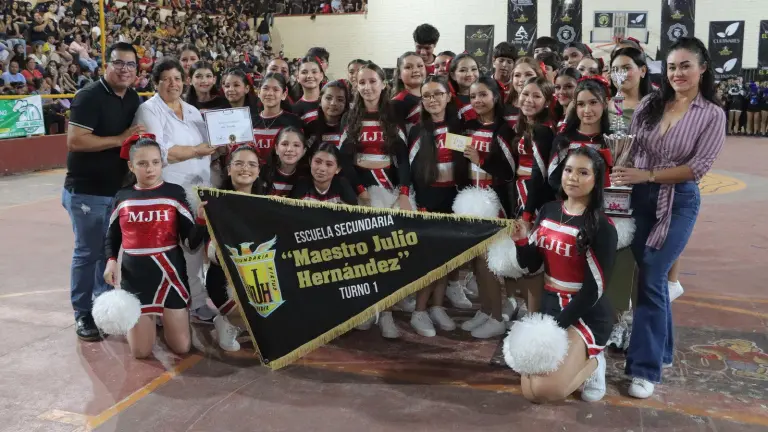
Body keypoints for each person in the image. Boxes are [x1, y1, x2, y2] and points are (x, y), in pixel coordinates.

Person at [611, 37, 725, 399]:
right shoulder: (650, 103)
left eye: (685, 66)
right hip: (639, 198)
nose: (678, 73)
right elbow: (631, 146)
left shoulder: (712, 115)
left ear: (702, 68)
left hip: (678, 201)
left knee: (653, 273)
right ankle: (664, 350)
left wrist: (647, 175)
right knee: (651, 278)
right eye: (672, 66)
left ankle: (645, 369)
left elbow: (697, 168)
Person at [512, 146, 617, 403]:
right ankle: (580, 359)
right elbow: (531, 265)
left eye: (583, 173)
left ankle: (595, 360)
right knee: (530, 391)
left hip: (585, 313)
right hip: (551, 304)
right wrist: (521, 242)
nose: (573, 178)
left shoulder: (602, 226)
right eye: (569, 170)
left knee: (547, 391)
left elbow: (593, 290)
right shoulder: (548, 210)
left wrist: (553, 330)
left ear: (596, 180)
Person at [63, 42, 143, 341]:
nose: (124, 69)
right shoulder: (89, 96)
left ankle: (101, 306)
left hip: (116, 190)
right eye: (118, 63)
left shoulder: (132, 97)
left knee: (106, 251)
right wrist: (120, 139)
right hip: (87, 190)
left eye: (130, 64)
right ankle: (82, 312)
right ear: (105, 65)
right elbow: (76, 141)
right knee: (88, 252)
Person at [104, 137, 208, 359]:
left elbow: (191, 243)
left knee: (181, 348)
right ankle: (150, 326)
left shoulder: (175, 193)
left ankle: (166, 323)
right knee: (140, 352)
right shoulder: (122, 196)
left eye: (155, 162)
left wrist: (200, 221)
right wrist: (111, 261)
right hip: (135, 277)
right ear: (131, 166)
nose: (150, 169)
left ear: (162, 163)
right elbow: (112, 235)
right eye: (142, 164)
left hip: (170, 274)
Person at [132, 57, 219, 324]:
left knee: (193, 248)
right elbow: (160, 152)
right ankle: (161, 306)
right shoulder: (149, 110)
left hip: (197, 189)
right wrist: (197, 150)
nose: (173, 84)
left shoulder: (192, 110)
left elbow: (210, 144)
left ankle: (197, 301)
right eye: (166, 79)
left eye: (178, 78)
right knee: (167, 248)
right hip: (167, 193)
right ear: (156, 83)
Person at [408, 76, 468, 334]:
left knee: (448, 256)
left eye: (437, 94)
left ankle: (437, 306)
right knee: (430, 258)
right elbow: (410, 169)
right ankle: (419, 311)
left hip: (454, 198)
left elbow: (467, 162)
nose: (432, 99)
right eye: (427, 96)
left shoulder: (459, 127)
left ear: (448, 96)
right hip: (428, 199)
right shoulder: (417, 130)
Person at [206, 146, 267, 351]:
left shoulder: (267, 205)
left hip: (258, 277)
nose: (245, 169)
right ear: (229, 169)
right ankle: (229, 321)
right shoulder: (213, 202)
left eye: (251, 164)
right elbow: (197, 245)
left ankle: (237, 322)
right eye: (239, 163)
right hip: (223, 279)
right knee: (258, 323)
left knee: (275, 325)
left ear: (258, 171)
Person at [291, 142, 357, 204]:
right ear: (310, 162)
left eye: (329, 164)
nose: (322, 168)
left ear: (338, 169)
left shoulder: (342, 185)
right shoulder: (301, 185)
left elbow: (354, 211)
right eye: (317, 162)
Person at [391, 51, 426, 134]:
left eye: (420, 66)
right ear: (399, 74)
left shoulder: (434, 96)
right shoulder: (396, 103)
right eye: (408, 67)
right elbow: (397, 137)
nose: (416, 70)